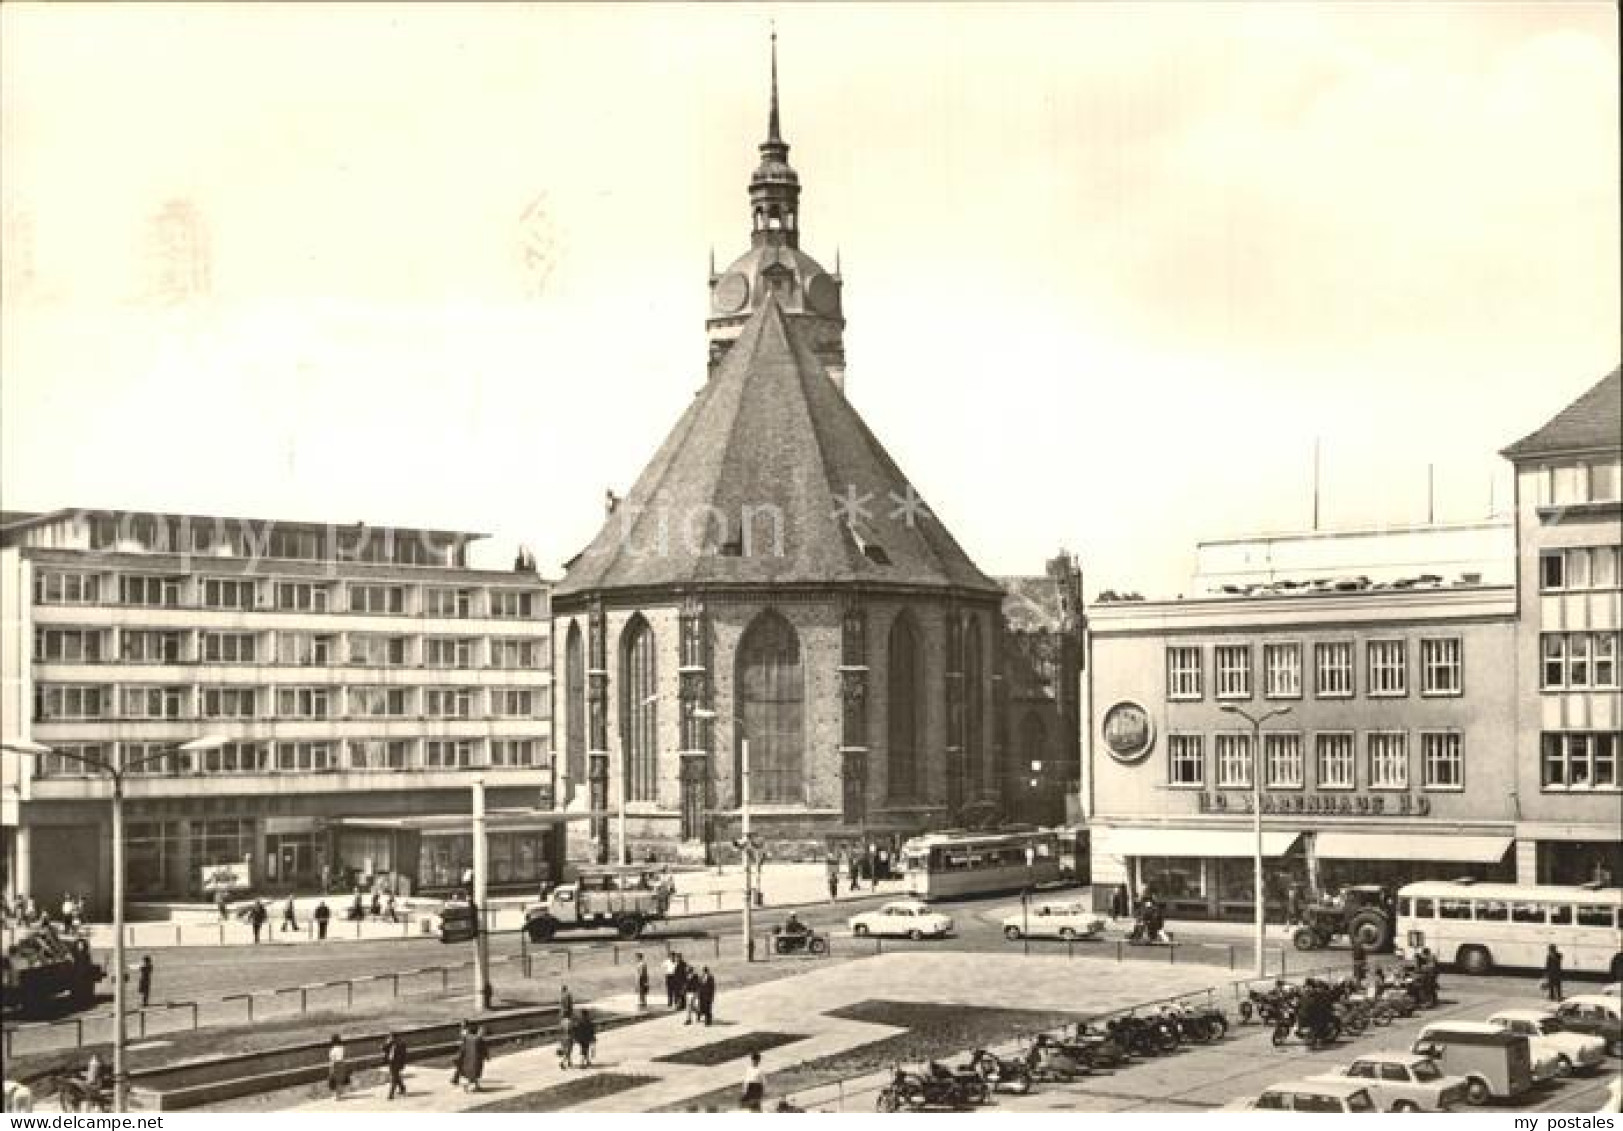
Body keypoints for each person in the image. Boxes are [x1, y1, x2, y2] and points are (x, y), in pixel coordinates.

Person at [457, 1023, 487, 1093]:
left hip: (470, 1058)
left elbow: (463, 1048)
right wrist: (486, 1056)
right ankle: (467, 1086)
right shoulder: (478, 1039)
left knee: (473, 1073)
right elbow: (483, 1049)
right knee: (475, 1073)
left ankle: (477, 1086)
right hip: (476, 1058)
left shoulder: (469, 1038)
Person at [382, 1032, 408, 1100]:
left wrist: (402, 1064)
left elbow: (403, 1056)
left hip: (397, 1063)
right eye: (389, 1038)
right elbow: (383, 1049)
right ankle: (402, 1088)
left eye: (391, 1038)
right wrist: (387, 1043)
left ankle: (391, 1095)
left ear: (395, 1038)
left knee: (394, 1078)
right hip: (391, 1063)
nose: (390, 1039)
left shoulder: (401, 1044)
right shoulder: (389, 1044)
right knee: (396, 1076)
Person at [448, 1021, 471, 1087]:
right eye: (461, 1024)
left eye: (463, 1024)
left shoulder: (466, 1031)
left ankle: (456, 1079)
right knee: (460, 1065)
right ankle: (456, 1079)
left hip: (464, 1050)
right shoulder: (464, 1031)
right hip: (462, 1050)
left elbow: (465, 1041)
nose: (461, 1025)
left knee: (460, 1065)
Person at [326, 1035, 348, 1101]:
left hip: (335, 1064)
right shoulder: (342, 1048)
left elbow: (332, 1060)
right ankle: (339, 1095)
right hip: (342, 1063)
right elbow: (343, 1057)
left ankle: (337, 1096)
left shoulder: (332, 1050)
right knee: (340, 1079)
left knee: (335, 1080)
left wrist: (331, 1068)